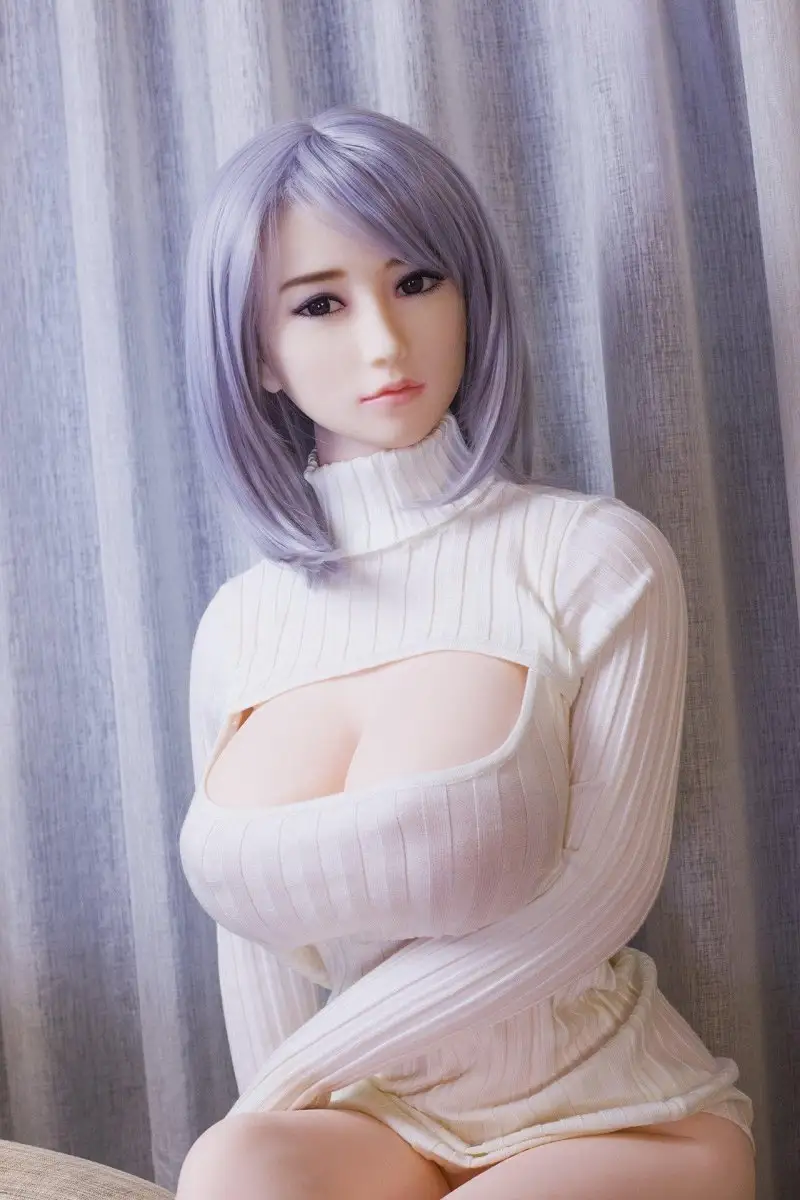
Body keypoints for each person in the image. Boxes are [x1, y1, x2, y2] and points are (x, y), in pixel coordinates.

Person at [176, 105, 755, 1199]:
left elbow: (598, 894)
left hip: (611, 1113)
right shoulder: (237, 624)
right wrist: (272, 1113)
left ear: (469, 296)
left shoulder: (590, 556)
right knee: (232, 1165)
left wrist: (294, 1079)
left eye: (417, 281)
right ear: (257, 354)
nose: (384, 342)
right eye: (319, 303)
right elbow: (250, 935)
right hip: (383, 1121)